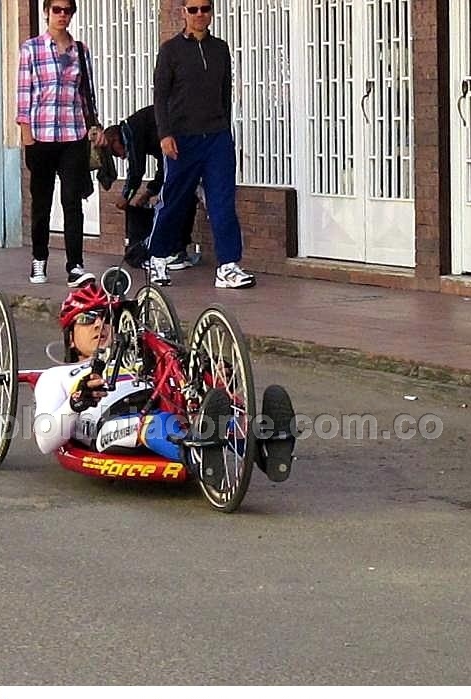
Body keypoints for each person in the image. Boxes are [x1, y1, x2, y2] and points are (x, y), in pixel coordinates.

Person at [32, 283, 295, 484]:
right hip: (110, 423)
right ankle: (198, 456)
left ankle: (266, 450)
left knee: (217, 417)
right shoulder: (55, 376)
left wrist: (211, 374)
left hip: (162, 406)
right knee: (159, 424)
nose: (99, 324)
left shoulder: (134, 355)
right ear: (69, 337)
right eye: (87, 319)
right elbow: (44, 441)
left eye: (105, 316)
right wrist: (75, 403)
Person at [146, 0, 256, 289]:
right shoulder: (170, 51)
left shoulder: (220, 49)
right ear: (183, 12)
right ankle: (157, 257)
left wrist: (225, 129)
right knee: (174, 200)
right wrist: (165, 134)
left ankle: (228, 266)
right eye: (193, 9)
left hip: (217, 137)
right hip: (182, 139)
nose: (199, 15)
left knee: (222, 202)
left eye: (204, 9)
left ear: (211, 11)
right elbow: (160, 97)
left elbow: (225, 93)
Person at [16, 0, 106, 288]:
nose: (62, 15)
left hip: (73, 134)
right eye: (57, 9)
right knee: (41, 202)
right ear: (46, 12)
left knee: (72, 201)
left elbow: (86, 93)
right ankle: (39, 259)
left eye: (67, 10)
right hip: (41, 135)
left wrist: (94, 126)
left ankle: (75, 265)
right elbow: (24, 92)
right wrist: (26, 134)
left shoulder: (80, 50)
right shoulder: (31, 49)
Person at [103, 106, 198, 271]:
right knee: (184, 197)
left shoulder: (130, 131)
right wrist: (148, 193)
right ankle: (179, 250)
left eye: (116, 153)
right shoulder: (144, 131)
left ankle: (175, 250)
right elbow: (163, 165)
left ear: (115, 140)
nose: (122, 156)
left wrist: (126, 195)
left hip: (183, 143)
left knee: (174, 199)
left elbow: (136, 169)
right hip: (185, 145)